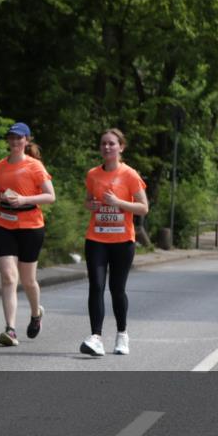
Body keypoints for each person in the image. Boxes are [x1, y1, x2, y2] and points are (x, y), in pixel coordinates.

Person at [80, 128, 149, 357]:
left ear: (121, 147)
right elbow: (89, 201)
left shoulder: (129, 175)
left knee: (116, 289)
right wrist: (91, 205)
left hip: (122, 240)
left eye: (111, 144)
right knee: (96, 286)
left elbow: (143, 207)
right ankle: (96, 337)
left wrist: (118, 201)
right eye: (103, 144)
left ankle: (122, 334)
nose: (107, 147)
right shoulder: (92, 174)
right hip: (96, 237)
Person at [0, 122, 56, 346]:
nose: (15, 142)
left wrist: (24, 200)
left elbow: (50, 196)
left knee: (28, 280)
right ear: (8, 140)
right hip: (3, 225)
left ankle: (36, 314)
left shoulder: (35, 166)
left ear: (27, 141)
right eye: (12, 138)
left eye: (20, 138)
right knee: (9, 277)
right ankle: (10, 330)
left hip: (30, 227)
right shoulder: (0, 166)